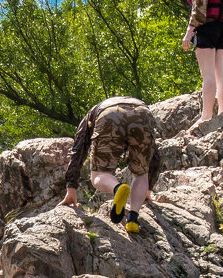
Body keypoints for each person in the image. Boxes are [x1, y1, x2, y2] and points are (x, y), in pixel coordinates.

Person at [58, 96, 161, 235]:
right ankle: (132, 219)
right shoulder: (136, 105)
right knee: (141, 174)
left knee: (99, 175)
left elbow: (78, 148)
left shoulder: (91, 113)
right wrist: (147, 190)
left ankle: (117, 188)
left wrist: (71, 188)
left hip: (109, 114)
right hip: (142, 113)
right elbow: (154, 155)